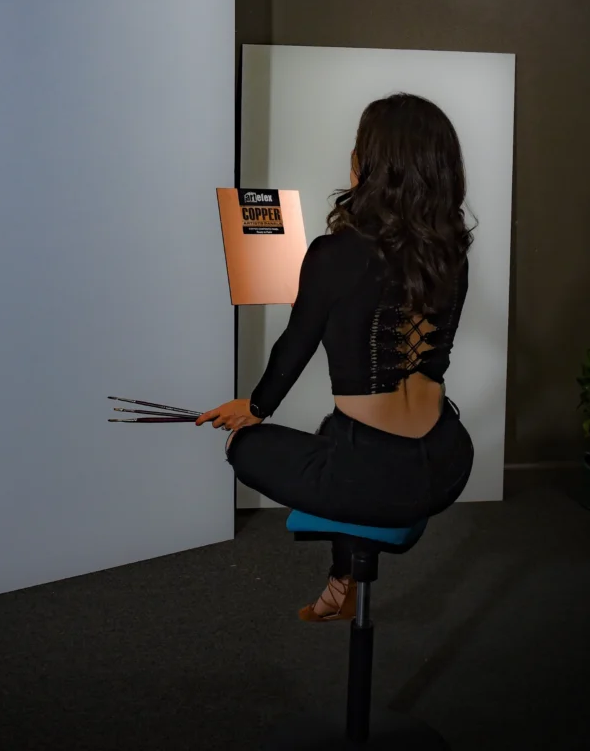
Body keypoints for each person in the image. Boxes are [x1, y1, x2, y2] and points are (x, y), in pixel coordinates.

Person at [196, 93, 475, 621]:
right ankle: (342, 580)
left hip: (374, 480)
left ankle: (345, 571)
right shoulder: (451, 253)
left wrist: (253, 408)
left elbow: (295, 345)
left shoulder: (333, 255)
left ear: (369, 165)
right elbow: (434, 357)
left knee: (245, 447)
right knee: (335, 432)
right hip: (447, 461)